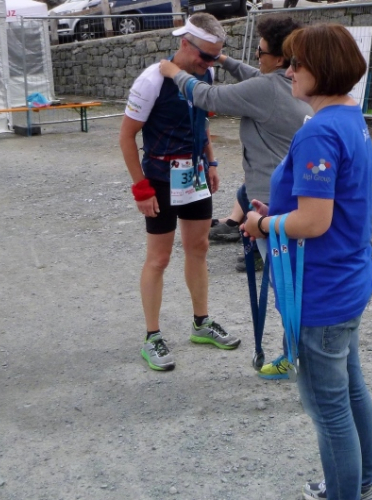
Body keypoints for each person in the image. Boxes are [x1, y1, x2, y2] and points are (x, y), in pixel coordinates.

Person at [240, 23, 372, 500]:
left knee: (328, 407)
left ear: (322, 68)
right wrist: (278, 213)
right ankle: (359, 482)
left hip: (322, 291)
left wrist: (263, 225)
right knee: (350, 388)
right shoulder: (349, 116)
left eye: (297, 63)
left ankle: (345, 492)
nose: (288, 70)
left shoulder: (319, 131)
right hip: (347, 278)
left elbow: (315, 221)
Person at [119, 13, 241, 371]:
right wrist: (141, 188)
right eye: (205, 56)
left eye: (215, 57)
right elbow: (126, 136)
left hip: (195, 174)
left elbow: (202, 123)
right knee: (159, 258)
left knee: (199, 248)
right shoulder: (152, 80)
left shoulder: (206, 75)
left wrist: (211, 161)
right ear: (185, 44)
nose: (210, 63)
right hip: (160, 177)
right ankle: (152, 336)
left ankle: (201, 323)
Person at [159, 14, 312, 272]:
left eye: (260, 52)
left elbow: (208, 96)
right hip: (292, 185)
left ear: (278, 59)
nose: (256, 56)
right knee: (243, 193)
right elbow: (256, 76)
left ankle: (264, 247)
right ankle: (258, 240)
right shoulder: (294, 82)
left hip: (271, 195)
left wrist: (175, 73)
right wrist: (222, 59)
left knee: (282, 275)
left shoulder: (266, 90)